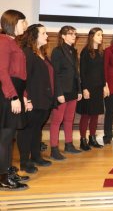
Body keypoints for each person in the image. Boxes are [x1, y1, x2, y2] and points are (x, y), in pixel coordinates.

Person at [17, 24, 54, 174]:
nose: (47, 36)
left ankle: (36, 157)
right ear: (34, 36)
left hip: (43, 99)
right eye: (44, 33)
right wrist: (26, 98)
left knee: (36, 130)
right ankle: (25, 162)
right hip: (33, 100)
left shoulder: (41, 53)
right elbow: (22, 78)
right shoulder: (27, 53)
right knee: (26, 131)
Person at [0, 9, 29, 190]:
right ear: (13, 23)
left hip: (15, 92)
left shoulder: (12, 42)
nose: (26, 25)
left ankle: (7, 170)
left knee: (9, 137)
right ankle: (3, 178)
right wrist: (13, 96)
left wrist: (23, 96)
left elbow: (21, 74)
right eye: (23, 22)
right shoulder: (3, 42)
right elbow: (2, 71)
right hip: (7, 95)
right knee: (5, 137)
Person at [49, 26, 82, 160]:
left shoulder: (73, 51)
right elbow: (54, 74)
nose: (74, 36)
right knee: (57, 121)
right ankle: (54, 149)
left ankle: (69, 144)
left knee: (69, 119)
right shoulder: (57, 51)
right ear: (63, 36)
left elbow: (76, 73)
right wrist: (58, 93)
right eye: (70, 34)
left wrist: (79, 90)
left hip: (73, 90)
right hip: (62, 91)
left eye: (75, 33)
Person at [76, 27, 106, 151]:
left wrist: (104, 85)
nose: (101, 37)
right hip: (88, 88)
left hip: (98, 88)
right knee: (86, 115)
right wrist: (84, 88)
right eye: (98, 35)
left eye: (101, 35)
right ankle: (83, 140)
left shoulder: (100, 52)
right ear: (92, 36)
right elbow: (82, 72)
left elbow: (102, 72)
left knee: (95, 115)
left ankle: (92, 138)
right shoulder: (85, 52)